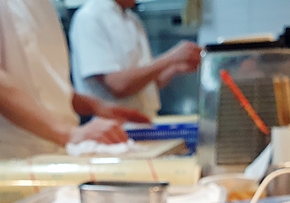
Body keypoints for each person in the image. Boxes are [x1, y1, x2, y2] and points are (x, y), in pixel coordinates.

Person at [0, 0, 150, 203]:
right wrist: (69, 133)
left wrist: (96, 107)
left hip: (55, 160)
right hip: (4, 165)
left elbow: (44, 85)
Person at [69, 0, 202, 119]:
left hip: (145, 121)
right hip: (110, 128)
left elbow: (148, 83)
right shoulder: (90, 17)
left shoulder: (133, 20)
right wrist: (171, 58)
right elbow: (117, 85)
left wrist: (175, 67)